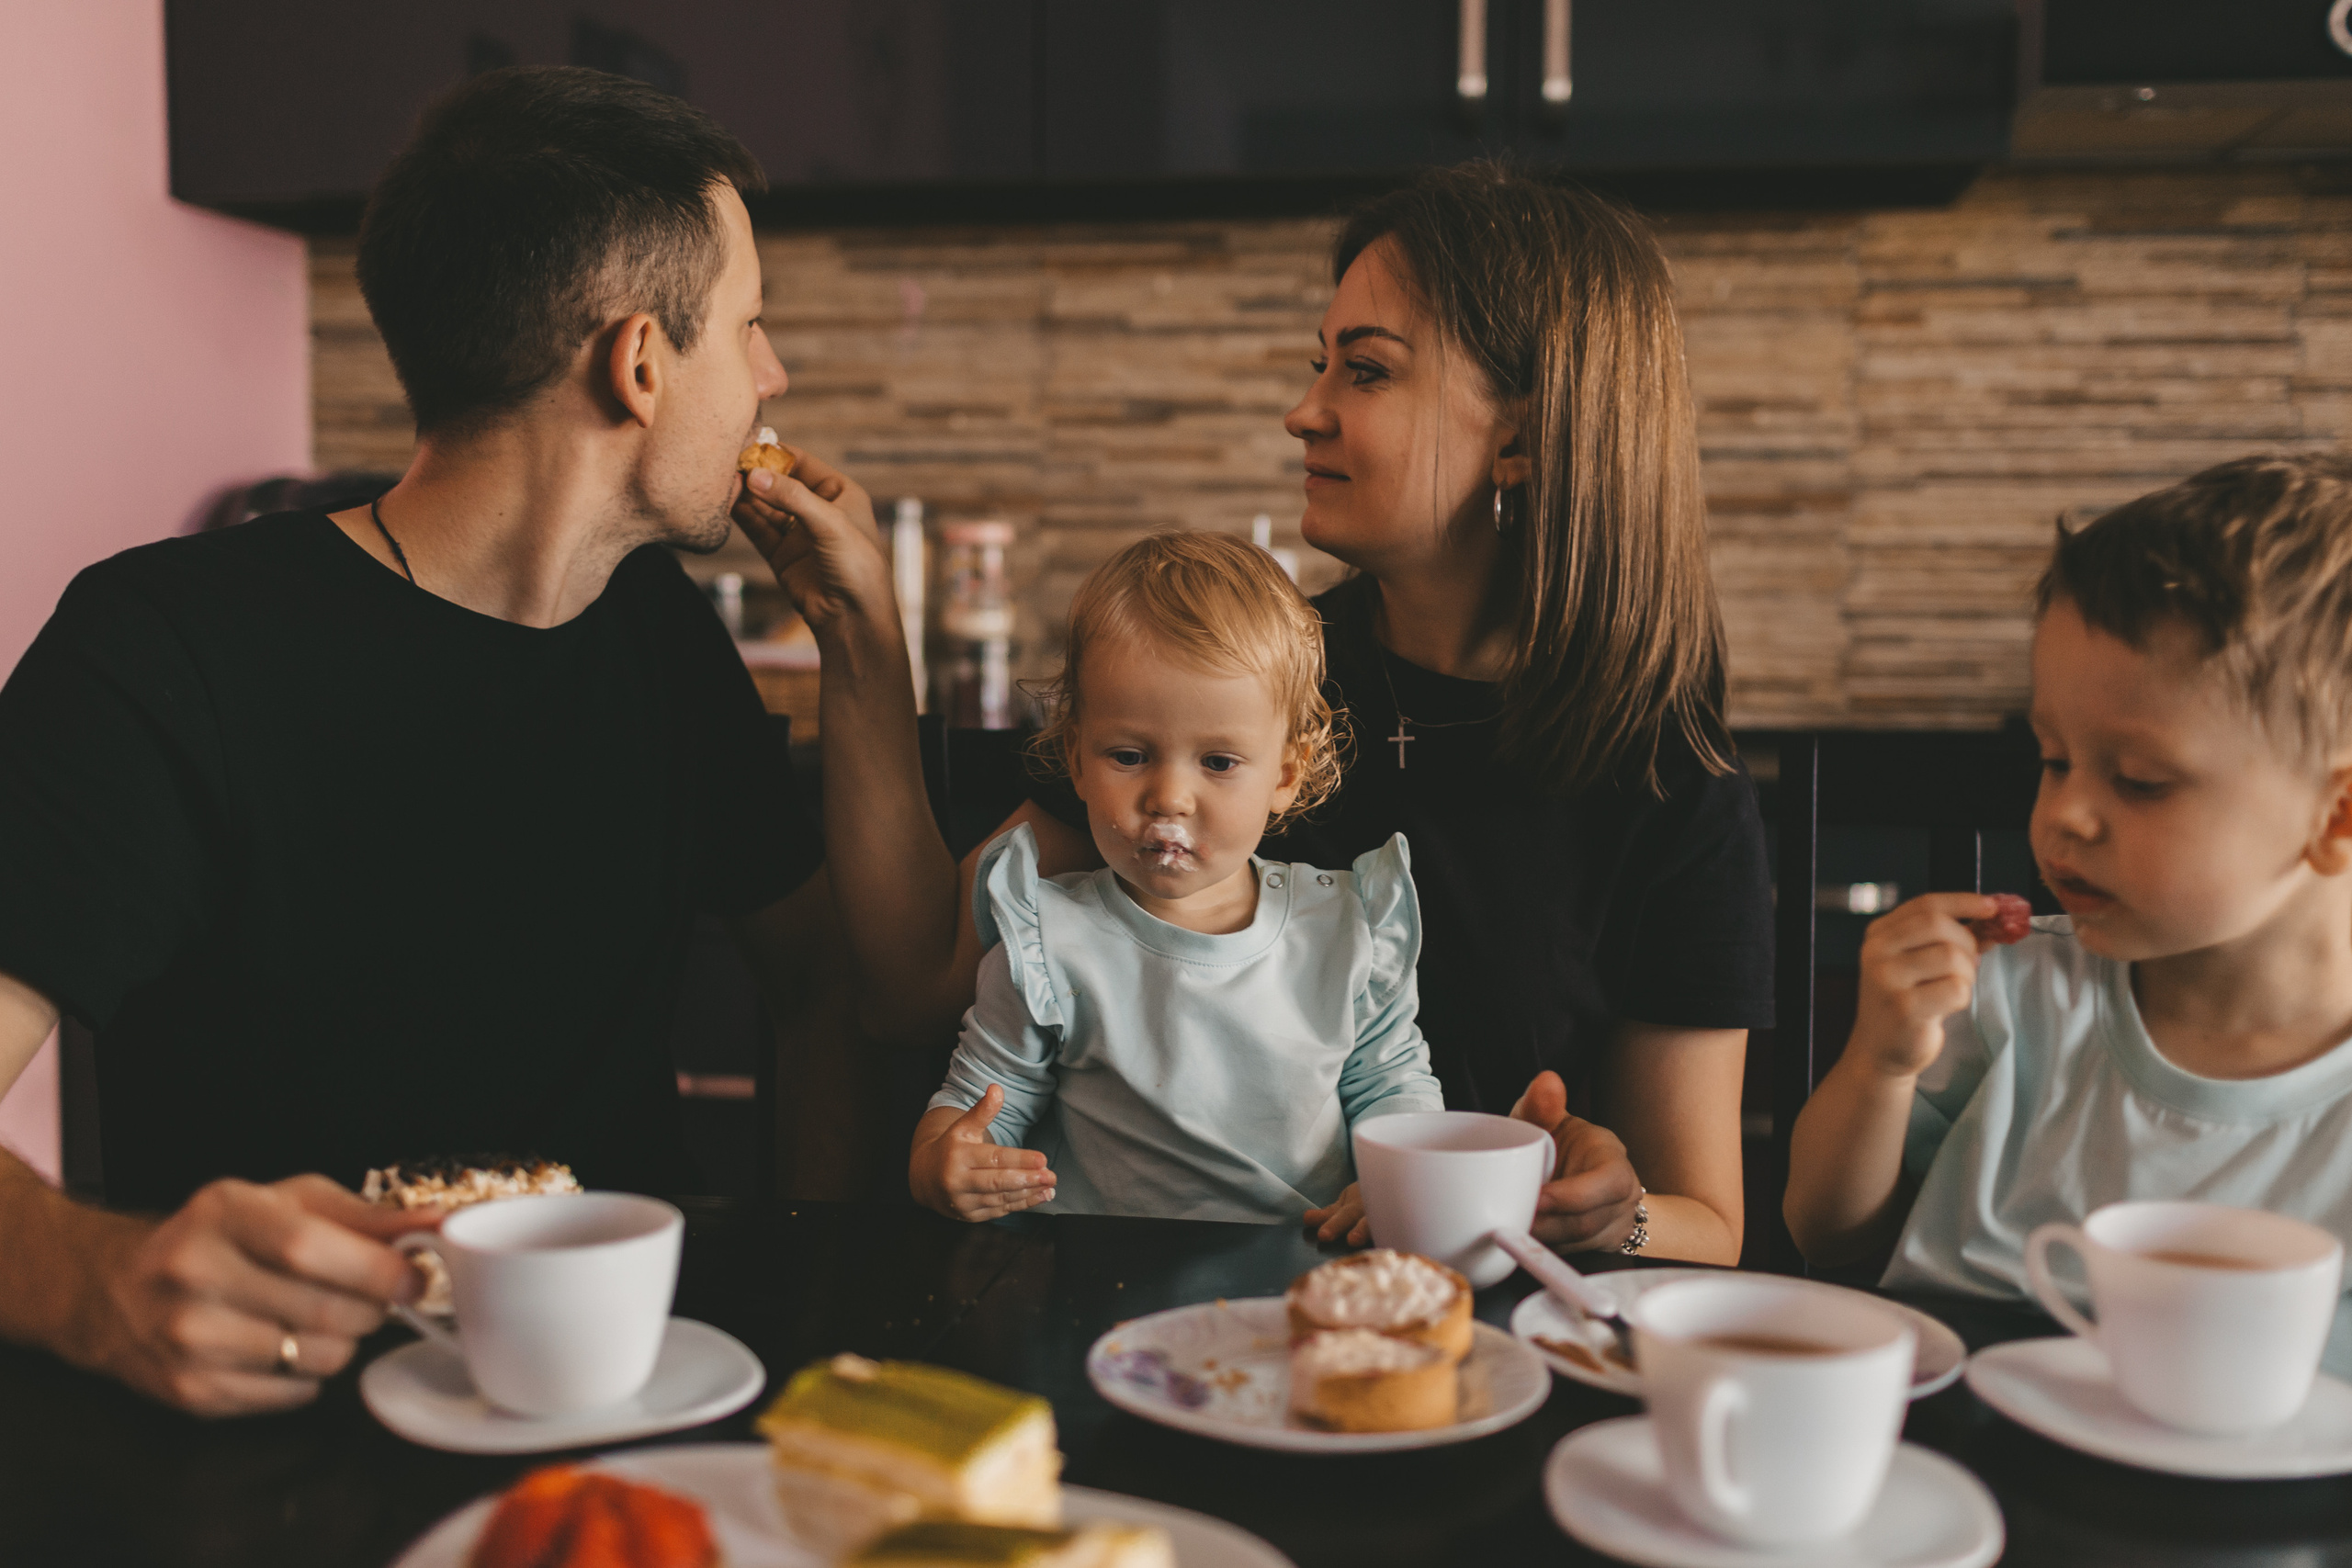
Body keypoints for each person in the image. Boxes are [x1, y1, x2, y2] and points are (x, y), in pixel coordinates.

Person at [0, 67, 951, 1415]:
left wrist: (807, 1292)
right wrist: (95, 1282)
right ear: (639, 363)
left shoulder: (659, 631)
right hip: (282, 1422)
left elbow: (824, 983)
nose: (772, 375)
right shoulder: (159, 645)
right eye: (750, 325)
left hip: (636, 1395)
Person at [874, 165, 1772, 1265]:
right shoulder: (1227, 693)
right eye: (1322, 364)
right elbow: (919, 984)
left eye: (1367, 370)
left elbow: (1706, 1227)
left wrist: (1606, 1214)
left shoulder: (1667, 777)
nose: (1303, 412)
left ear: (1521, 439)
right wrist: (861, 633)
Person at [1784, 454, 2352, 1362]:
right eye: (2052, 760)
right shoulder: (2012, 991)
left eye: (2139, 779)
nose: (2064, 814)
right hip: (1962, 1427)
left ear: (2335, 816)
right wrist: (1881, 1063)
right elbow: (1827, 1234)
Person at [910, 534, 1444, 1226]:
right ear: (1076, 758)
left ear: (1285, 774)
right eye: (1129, 755)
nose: (1169, 797)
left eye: (1218, 762)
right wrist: (943, 1164)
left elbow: (1393, 1087)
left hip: (1303, 1266)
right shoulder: (1049, 941)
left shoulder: (1343, 932)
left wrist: (1395, 1180)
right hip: (1102, 1276)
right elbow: (980, 1103)